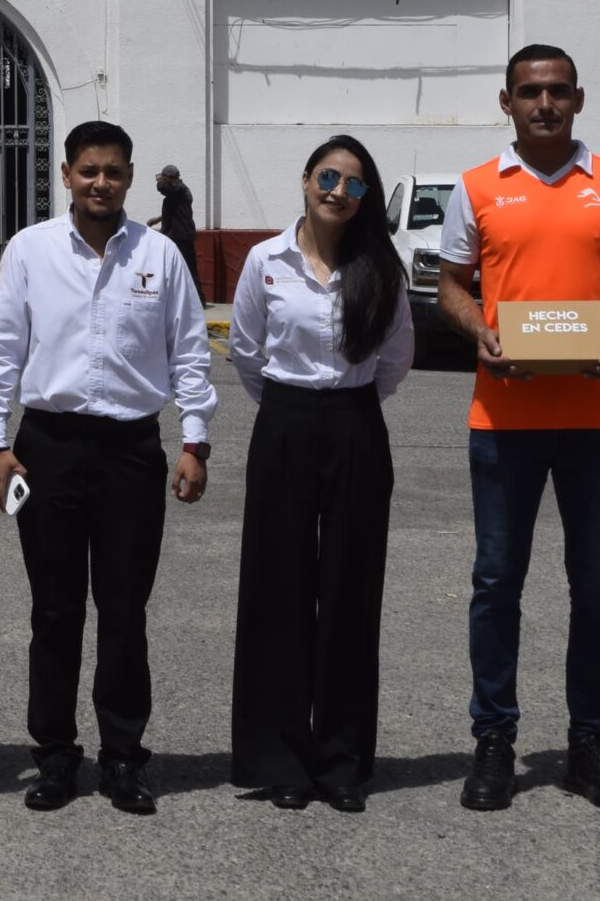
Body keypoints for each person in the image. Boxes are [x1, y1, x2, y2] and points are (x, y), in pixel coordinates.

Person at [435, 45, 600, 815]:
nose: (545, 104)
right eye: (530, 92)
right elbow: (452, 287)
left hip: (598, 419)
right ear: (507, 102)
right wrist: (481, 332)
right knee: (497, 582)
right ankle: (494, 737)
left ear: (579, 99)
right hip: (505, 419)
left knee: (595, 586)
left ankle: (590, 739)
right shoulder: (477, 187)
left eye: (558, 91)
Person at [0, 120, 215, 816]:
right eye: (88, 171)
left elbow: (190, 351)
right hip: (44, 448)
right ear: (66, 175)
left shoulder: (160, 255)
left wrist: (195, 441)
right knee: (53, 609)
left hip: (131, 452)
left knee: (125, 608)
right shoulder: (30, 250)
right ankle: (54, 755)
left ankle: (123, 756)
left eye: (112, 172)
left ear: (130, 178)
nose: (100, 183)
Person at [225, 135, 415, 811]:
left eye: (354, 184)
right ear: (306, 180)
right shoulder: (265, 261)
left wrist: (344, 408)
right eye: (328, 177)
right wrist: (293, 410)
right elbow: (246, 349)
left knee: (349, 591)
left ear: (365, 197)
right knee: (277, 589)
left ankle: (341, 763)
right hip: (284, 424)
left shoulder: (380, 268)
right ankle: (280, 759)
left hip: (356, 426)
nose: (338, 191)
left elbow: (395, 359)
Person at [154, 164, 200, 284]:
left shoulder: (179, 189)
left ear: (170, 178)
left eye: (163, 178)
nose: (161, 180)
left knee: (188, 269)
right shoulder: (176, 191)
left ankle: (197, 294)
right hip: (176, 235)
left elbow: (163, 188)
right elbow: (175, 211)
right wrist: (159, 219)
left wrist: (160, 182)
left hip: (181, 236)